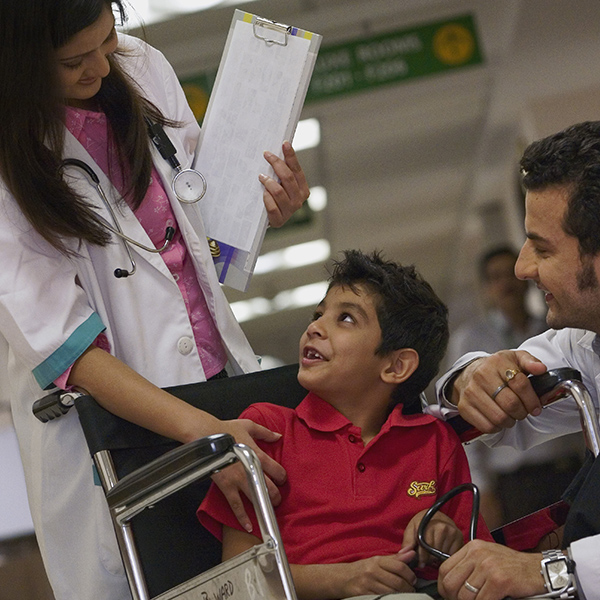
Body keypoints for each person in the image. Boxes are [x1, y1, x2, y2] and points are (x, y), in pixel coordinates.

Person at [0, 1, 310, 598]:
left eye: (106, 41)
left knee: (261, 580)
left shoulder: (140, 65)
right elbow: (72, 354)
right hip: (114, 427)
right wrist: (206, 434)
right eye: (73, 61)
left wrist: (264, 207)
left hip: (216, 388)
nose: (100, 67)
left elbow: (196, 227)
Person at [198, 250, 493, 600]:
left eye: (346, 319)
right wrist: (344, 580)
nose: (314, 327)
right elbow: (237, 581)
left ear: (396, 366)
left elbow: (474, 564)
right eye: (318, 314)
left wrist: (444, 537)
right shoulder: (265, 431)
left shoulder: (434, 441)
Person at [432, 121, 600, 600]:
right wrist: (470, 377)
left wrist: (554, 570)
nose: (522, 268)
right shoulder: (584, 344)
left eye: (542, 248)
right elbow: (483, 398)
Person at [447, 246, 583, 529]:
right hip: (516, 484)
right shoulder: (471, 339)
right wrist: (481, 489)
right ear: (486, 287)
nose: (506, 283)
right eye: (496, 277)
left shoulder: (555, 328)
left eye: (510, 274)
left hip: (569, 469)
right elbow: (466, 419)